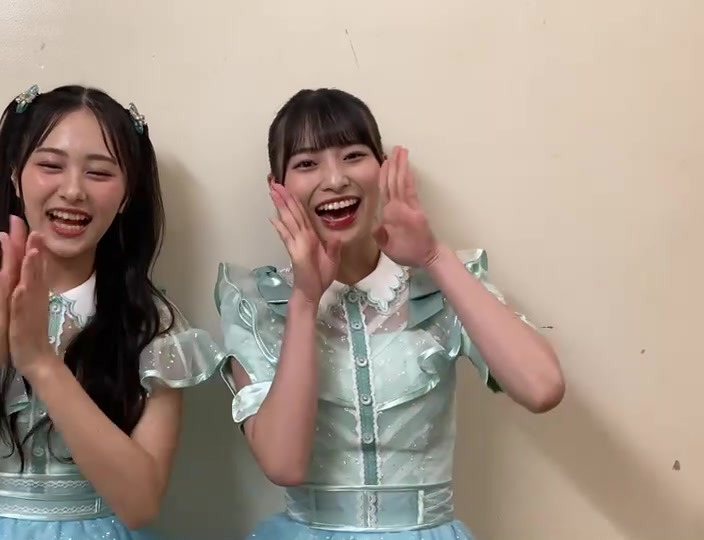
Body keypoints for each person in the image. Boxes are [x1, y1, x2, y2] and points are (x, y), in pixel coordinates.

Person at [0, 84, 224, 540]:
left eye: (99, 172)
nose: (72, 191)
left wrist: (41, 363)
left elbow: (139, 504)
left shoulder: (153, 326)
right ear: (16, 175)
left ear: (127, 193)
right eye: (51, 165)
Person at [214, 88, 565, 539]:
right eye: (307, 163)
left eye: (353, 156)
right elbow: (283, 464)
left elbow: (542, 388)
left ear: (381, 168)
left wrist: (434, 257)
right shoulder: (255, 304)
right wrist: (304, 301)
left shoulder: (439, 285)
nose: (335, 179)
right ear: (276, 186)